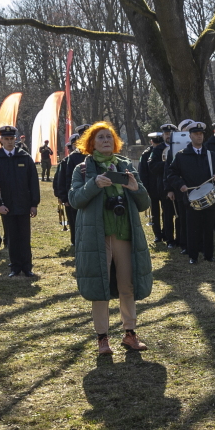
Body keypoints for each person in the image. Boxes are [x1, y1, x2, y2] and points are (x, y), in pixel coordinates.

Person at [69, 122, 154, 354]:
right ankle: (102, 337)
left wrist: (136, 188)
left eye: (109, 137)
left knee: (127, 285)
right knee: (100, 286)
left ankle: (130, 333)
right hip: (96, 237)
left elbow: (144, 204)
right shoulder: (83, 169)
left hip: (124, 235)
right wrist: (94, 184)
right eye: (100, 138)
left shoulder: (126, 165)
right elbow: (75, 200)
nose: (106, 140)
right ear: (91, 143)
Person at [171, 120, 215, 263]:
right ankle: (193, 256)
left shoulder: (211, 155)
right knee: (192, 228)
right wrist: (180, 185)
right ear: (190, 136)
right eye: (196, 134)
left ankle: (209, 255)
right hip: (191, 198)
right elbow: (171, 174)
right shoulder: (181, 156)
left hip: (209, 198)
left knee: (208, 227)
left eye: (201, 134)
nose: (199, 136)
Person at [0, 125, 42, 278]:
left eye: (12, 139)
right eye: (6, 139)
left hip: (23, 204)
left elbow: (33, 182)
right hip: (6, 205)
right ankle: (15, 267)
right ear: (1, 140)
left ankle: (27, 267)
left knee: (24, 236)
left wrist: (34, 204)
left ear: (15, 139)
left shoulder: (25, 157)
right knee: (12, 237)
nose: (9, 142)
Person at [140, 125, 177, 245]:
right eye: (166, 134)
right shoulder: (155, 150)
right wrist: (167, 164)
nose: (168, 136)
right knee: (155, 213)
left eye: (170, 134)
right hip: (156, 186)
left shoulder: (178, 147)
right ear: (163, 135)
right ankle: (158, 234)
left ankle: (168, 236)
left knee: (168, 213)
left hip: (171, 186)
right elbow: (150, 168)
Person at [54, 135, 88, 244]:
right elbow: (63, 179)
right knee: (74, 221)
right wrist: (64, 197)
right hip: (74, 195)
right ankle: (75, 241)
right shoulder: (68, 160)